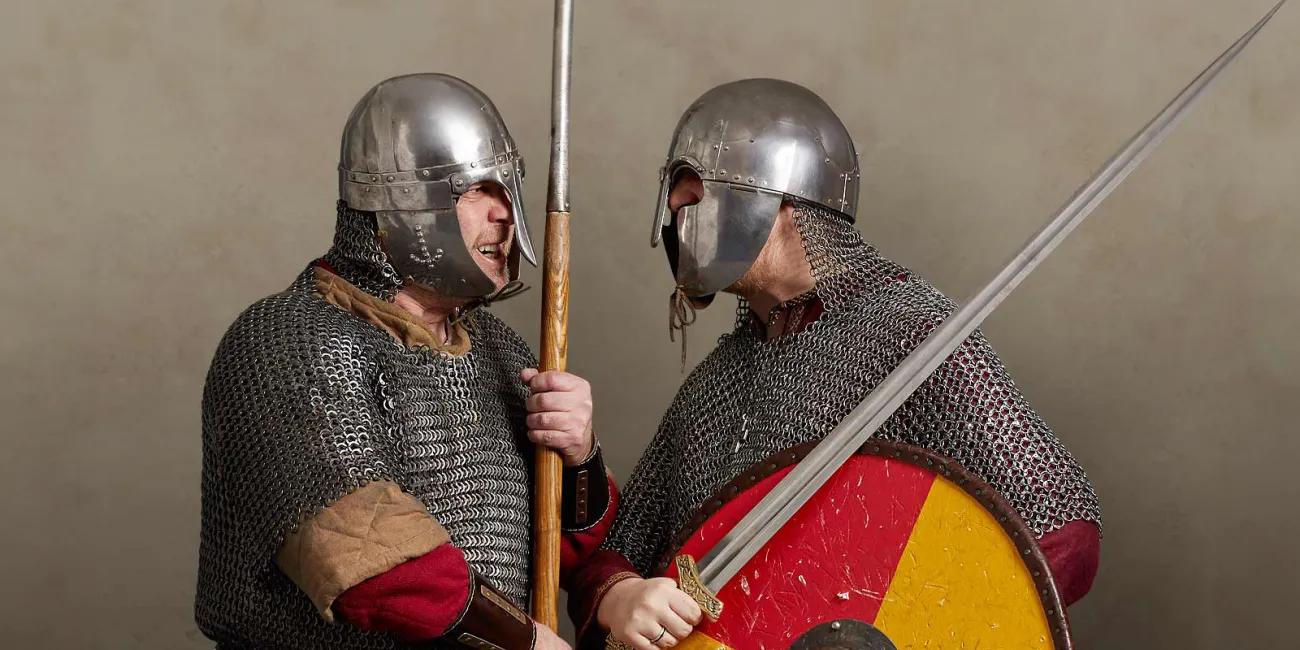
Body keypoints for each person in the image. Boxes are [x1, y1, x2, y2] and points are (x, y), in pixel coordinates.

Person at [569, 78, 1102, 649]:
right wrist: (620, 596)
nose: (680, 222)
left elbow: (1061, 528)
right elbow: (614, 561)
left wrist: (906, 621)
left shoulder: (908, 334)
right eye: (674, 206)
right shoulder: (713, 388)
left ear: (784, 198)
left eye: (697, 200)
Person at [196, 73, 615, 650]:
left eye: (506, 190)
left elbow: (557, 549)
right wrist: (524, 642)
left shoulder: (498, 349)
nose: (504, 215)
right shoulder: (287, 341)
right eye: (475, 192)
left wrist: (578, 457)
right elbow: (367, 562)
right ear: (398, 202)